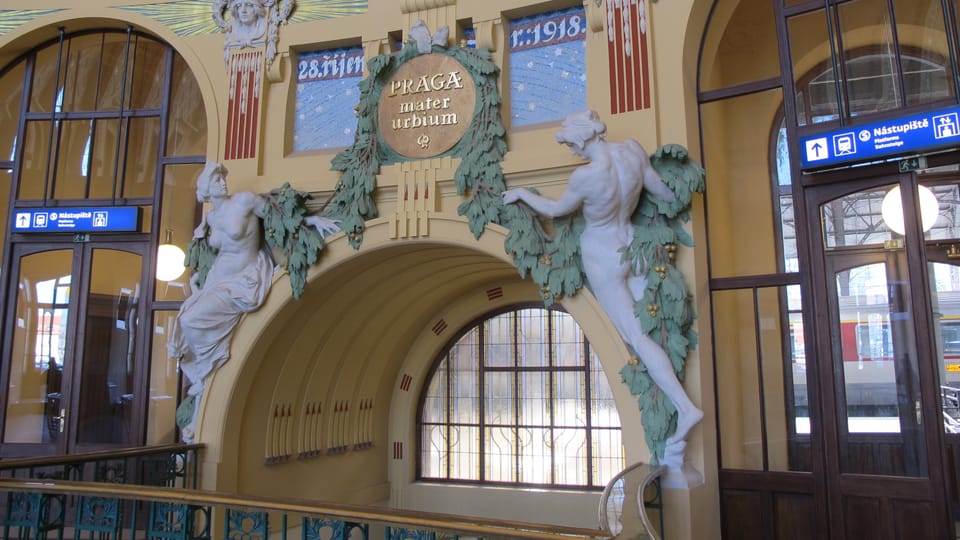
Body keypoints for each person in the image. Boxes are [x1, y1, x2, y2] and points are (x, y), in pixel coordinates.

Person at [502, 110, 703, 465]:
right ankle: (678, 402)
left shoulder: (585, 176)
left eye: (571, 144)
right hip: (633, 244)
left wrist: (520, 193)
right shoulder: (633, 151)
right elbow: (665, 194)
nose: (573, 151)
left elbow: (556, 210)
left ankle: (685, 408)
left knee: (638, 338)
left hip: (602, 252)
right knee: (651, 330)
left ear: (581, 139)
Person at [168, 162, 338, 441]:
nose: (223, 182)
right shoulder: (210, 219)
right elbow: (215, 247)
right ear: (206, 190)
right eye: (216, 180)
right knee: (185, 320)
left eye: (223, 177)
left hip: (243, 280)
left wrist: (311, 220)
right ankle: (203, 383)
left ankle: (204, 376)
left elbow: (275, 217)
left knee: (190, 320)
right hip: (218, 279)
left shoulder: (244, 201)